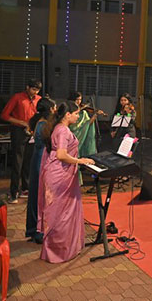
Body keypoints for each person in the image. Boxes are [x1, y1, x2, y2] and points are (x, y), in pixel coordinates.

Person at [38, 101, 95, 263]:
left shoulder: (59, 128)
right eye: (76, 114)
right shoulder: (63, 130)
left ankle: (62, 250)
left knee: (62, 214)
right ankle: (59, 252)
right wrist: (80, 160)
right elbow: (61, 155)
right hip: (60, 176)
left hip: (60, 174)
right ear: (67, 115)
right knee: (61, 215)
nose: (78, 116)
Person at [1, 78, 42, 203]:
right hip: (19, 131)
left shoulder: (39, 99)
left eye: (37, 90)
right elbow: (4, 115)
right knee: (17, 162)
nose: (35, 92)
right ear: (27, 87)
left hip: (32, 132)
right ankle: (14, 192)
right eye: (33, 89)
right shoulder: (17, 97)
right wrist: (21, 122)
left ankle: (26, 188)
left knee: (29, 161)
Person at [25, 97, 56, 244]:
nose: (55, 110)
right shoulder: (44, 125)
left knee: (36, 196)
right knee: (40, 197)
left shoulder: (39, 122)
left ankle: (34, 230)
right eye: (54, 107)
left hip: (37, 160)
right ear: (49, 109)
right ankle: (38, 232)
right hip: (41, 162)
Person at [68, 92, 106, 158]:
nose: (79, 101)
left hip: (83, 136)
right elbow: (73, 127)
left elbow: (86, 126)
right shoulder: (68, 110)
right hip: (71, 135)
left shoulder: (83, 113)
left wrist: (92, 119)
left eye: (80, 99)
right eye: (77, 99)